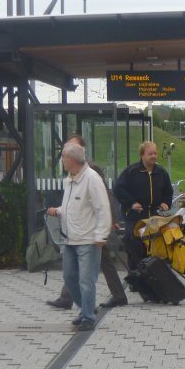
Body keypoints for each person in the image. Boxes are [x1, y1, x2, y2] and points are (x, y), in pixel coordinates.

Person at [47, 136, 128, 310]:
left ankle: (79, 304)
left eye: (72, 146)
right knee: (84, 268)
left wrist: (109, 222)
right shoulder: (70, 174)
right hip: (80, 231)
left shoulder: (91, 170)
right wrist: (60, 210)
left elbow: (104, 197)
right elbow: (73, 203)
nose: (67, 150)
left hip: (92, 230)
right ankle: (113, 295)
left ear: (81, 150)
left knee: (87, 274)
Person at [47, 142, 112, 331]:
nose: (61, 161)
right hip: (70, 239)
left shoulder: (92, 179)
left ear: (71, 159)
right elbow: (72, 206)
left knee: (86, 280)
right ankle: (86, 309)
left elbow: (103, 208)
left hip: (88, 240)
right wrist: (58, 211)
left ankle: (88, 318)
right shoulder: (70, 179)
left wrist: (101, 235)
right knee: (69, 277)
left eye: (63, 157)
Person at [113, 141, 174, 270]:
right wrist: (131, 203)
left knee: (154, 243)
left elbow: (168, 191)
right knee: (134, 243)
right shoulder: (132, 172)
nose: (154, 156)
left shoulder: (161, 172)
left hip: (154, 215)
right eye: (150, 153)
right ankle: (135, 275)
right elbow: (118, 188)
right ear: (142, 155)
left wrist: (165, 203)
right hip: (135, 217)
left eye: (155, 153)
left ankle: (152, 273)